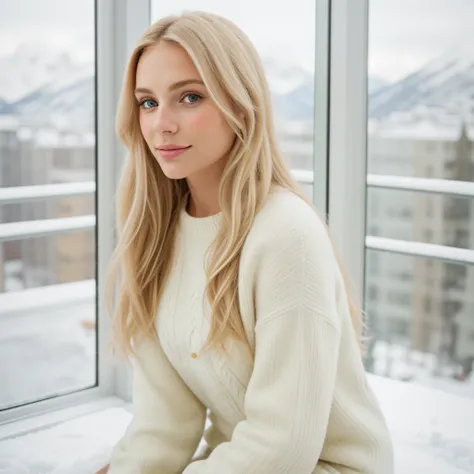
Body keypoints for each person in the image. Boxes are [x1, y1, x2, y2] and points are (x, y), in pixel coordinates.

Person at [98, 10, 394, 474]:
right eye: (148, 103)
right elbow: (165, 423)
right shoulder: (158, 235)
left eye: (189, 97)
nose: (161, 125)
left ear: (239, 104)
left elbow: (284, 446)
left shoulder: (286, 235)